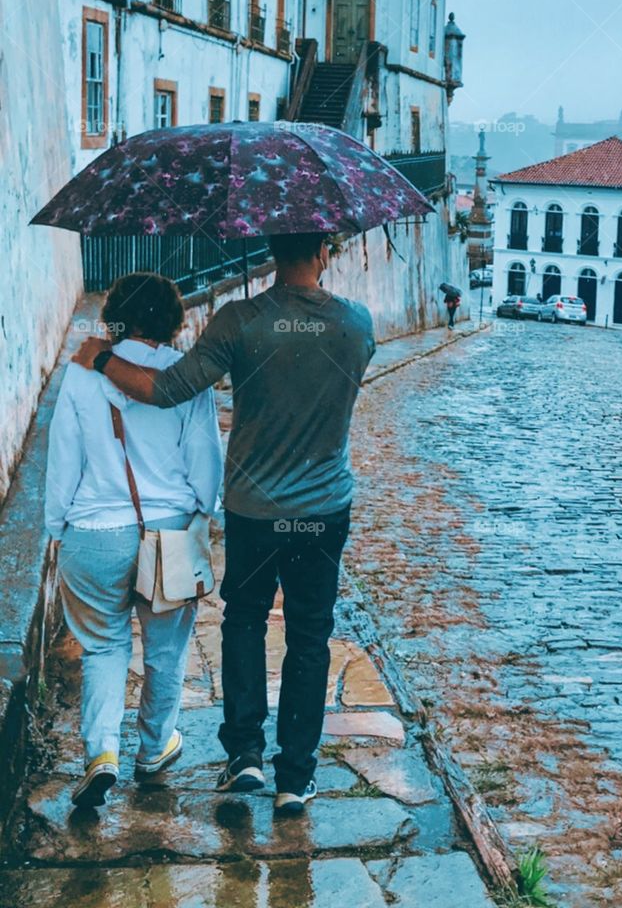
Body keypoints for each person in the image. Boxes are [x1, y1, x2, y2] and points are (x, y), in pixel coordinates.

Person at [73, 233, 376, 816]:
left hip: (254, 511)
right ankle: (295, 777)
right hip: (322, 511)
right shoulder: (356, 323)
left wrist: (103, 357)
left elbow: (164, 391)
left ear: (270, 248)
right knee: (310, 637)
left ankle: (244, 759)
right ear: (324, 252)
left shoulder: (239, 321)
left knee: (243, 623)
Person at [46, 273, 223, 809]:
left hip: (93, 533)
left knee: (103, 646)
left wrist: (59, 529)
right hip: (168, 533)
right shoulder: (187, 376)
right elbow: (206, 465)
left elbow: (62, 461)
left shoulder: (81, 373)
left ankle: (101, 754)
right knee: (166, 652)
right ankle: (153, 750)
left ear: (115, 319)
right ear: (174, 321)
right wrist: (199, 517)